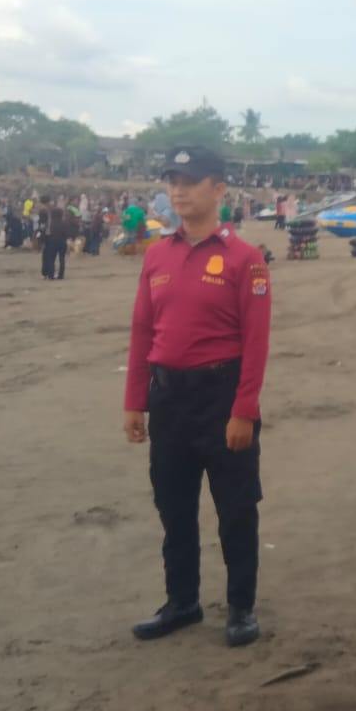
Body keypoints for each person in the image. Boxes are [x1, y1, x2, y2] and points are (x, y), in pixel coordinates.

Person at [124, 146, 272, 649]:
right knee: (174, 508)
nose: (178, 191)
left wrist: (244, 410)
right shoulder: (157, 255)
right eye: (173, 181)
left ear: (219, 189)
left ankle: (241, 606)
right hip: (169, 400)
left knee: (236, 509)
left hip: (221, 398)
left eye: (189, 181)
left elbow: (256, 342)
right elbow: (143, 330)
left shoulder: (245, 260)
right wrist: (135, 401)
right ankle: (182, 602)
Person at [42, 207, 71, 280]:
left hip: (52, 242)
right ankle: (61, 275)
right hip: (62, 242)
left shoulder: (50, 223)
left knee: (51, 259)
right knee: (62, 259)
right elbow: (68, 233)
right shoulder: (64, 223)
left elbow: (45, 232)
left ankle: (51, 275)